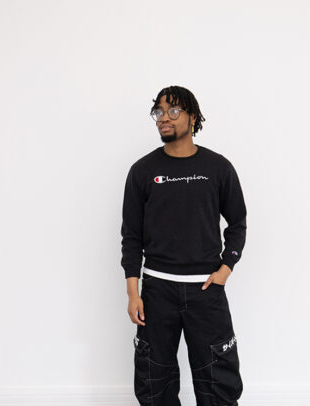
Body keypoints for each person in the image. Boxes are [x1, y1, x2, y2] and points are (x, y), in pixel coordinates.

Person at [121, 85, 247, 406]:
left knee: (218, 385)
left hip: (206, 291)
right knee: (154, 385)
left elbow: (237, 223)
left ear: (192, 117)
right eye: (159, 112)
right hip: (156, 292)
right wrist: (133, 292)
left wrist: (226, 268)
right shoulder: (142, 171)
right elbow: (131, 236)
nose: (165, 118)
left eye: (173, 111)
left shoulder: (218, 168)